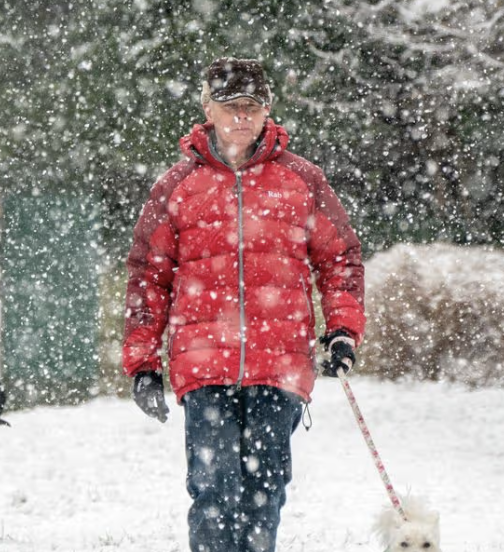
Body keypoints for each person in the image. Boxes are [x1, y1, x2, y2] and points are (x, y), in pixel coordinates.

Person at [122, 57, 365, 552]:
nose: (241, 116)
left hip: (280, 362)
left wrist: (342, 329)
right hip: (203, 362)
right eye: (230, 106)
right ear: (207, 109)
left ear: (266, 111)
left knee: (264, 490)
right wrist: (143, 363)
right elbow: (148, 277)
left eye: (251, 107)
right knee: (213, 490)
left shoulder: (302, 179)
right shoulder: (175, 185)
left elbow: (340, 257)